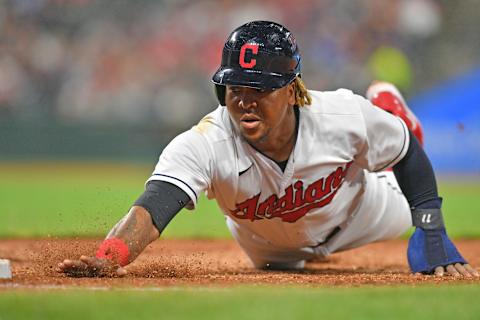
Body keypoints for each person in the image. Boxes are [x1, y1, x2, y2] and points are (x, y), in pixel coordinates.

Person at [59, 21, 477, 278]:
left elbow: (405, 155)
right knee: (277, 268)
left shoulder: (342, 115)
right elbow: (152, 207)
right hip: (268, 247)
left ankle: (393, 114)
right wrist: (109, 255)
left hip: (363, 213)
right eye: (235, 87)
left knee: (401, 145)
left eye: (260, 88)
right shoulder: (205, 142)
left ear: (293, 91)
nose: (245, 100)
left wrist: (430, 227)